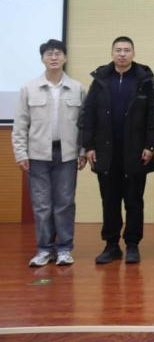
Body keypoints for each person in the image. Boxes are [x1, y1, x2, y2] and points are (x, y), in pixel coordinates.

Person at [81, 36, 154, 265]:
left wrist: (150, 145)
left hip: (136, 152)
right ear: (112, 53)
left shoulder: (145, 80)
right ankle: (111, 245)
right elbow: (88, 114)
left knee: (134, 201)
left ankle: (133, 245)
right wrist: (89, 146)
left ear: (133, 53)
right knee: (110, 200)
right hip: (106, 152)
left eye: (126, 50)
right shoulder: (100, 79)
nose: (122, 54)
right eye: (118, 50)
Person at [12, 39, 87, 267]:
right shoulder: (29, 88)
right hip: (37, 154)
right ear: (42, 59)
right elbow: (20, 124)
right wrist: (21, 153)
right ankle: (44, 249)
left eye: (58, 53)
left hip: (67, 154)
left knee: (65, 203)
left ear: (65, 58)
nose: (54, 57)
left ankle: (64, 249)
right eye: (49, 54)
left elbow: (85, 125)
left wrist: (83, 150)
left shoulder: (77, 88)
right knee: (42, 204)